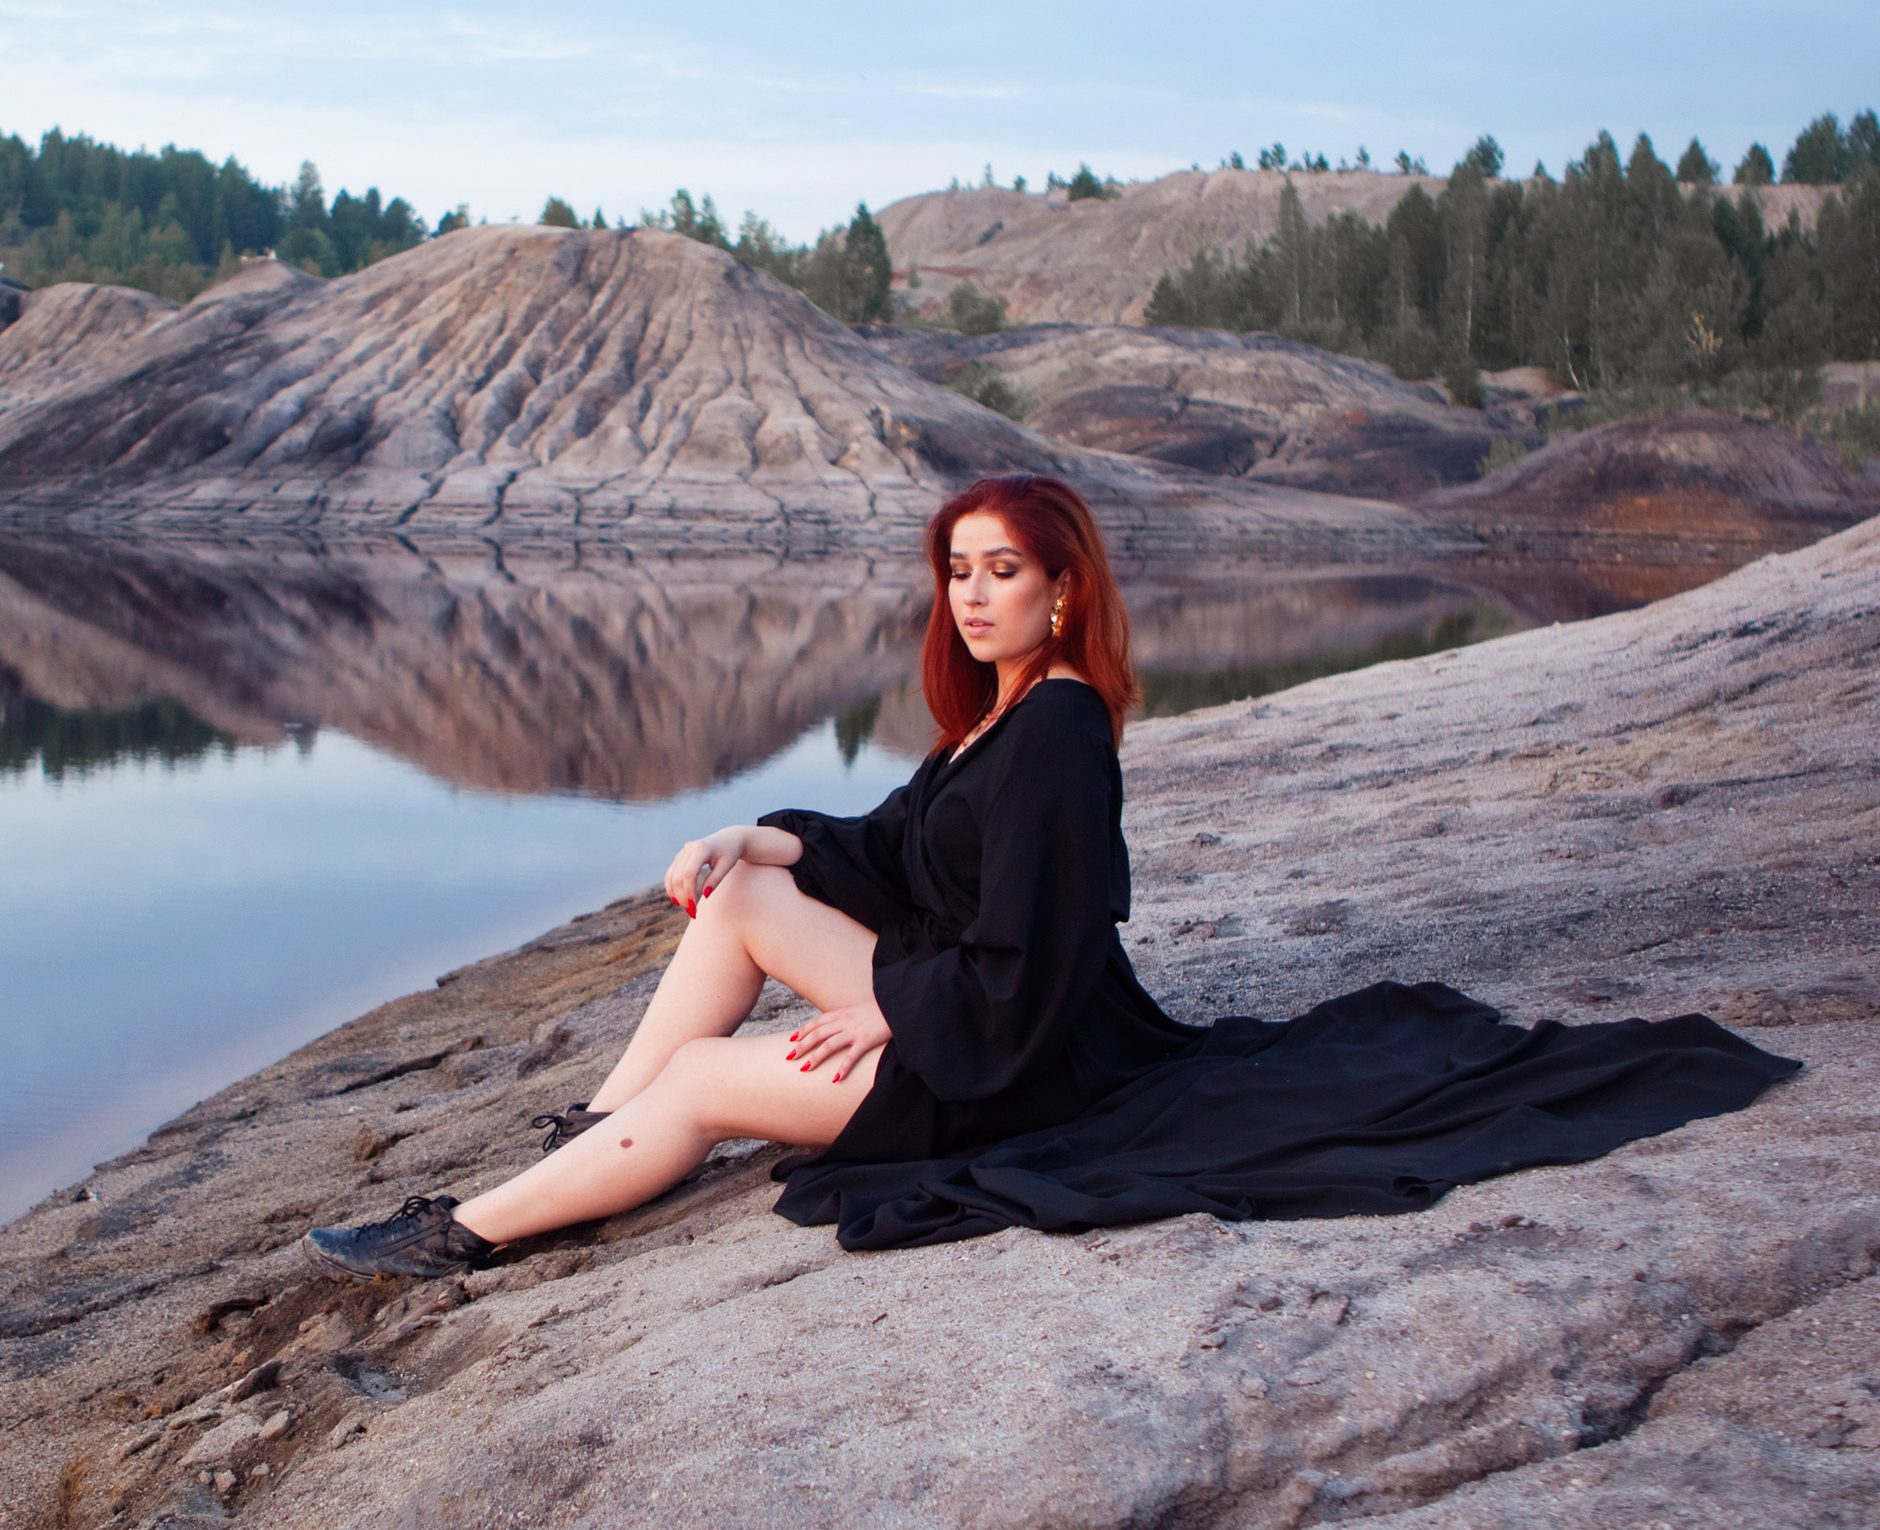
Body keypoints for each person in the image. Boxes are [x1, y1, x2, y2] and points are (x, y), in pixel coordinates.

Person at [306, 473, 1798, 1280]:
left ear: (1065, 585)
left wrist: (896, 1014)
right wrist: (753, 836)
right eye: (957, 571)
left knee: (705, 1082)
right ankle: (590, 1138)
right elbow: (892, 850)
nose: (971, 595)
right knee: (739, 899)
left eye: (1001, 570)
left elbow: (1043, 946)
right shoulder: (1000, 718)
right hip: (964, 1010)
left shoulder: (1066, 729)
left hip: (1006, 1061)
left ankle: (468, 1234)